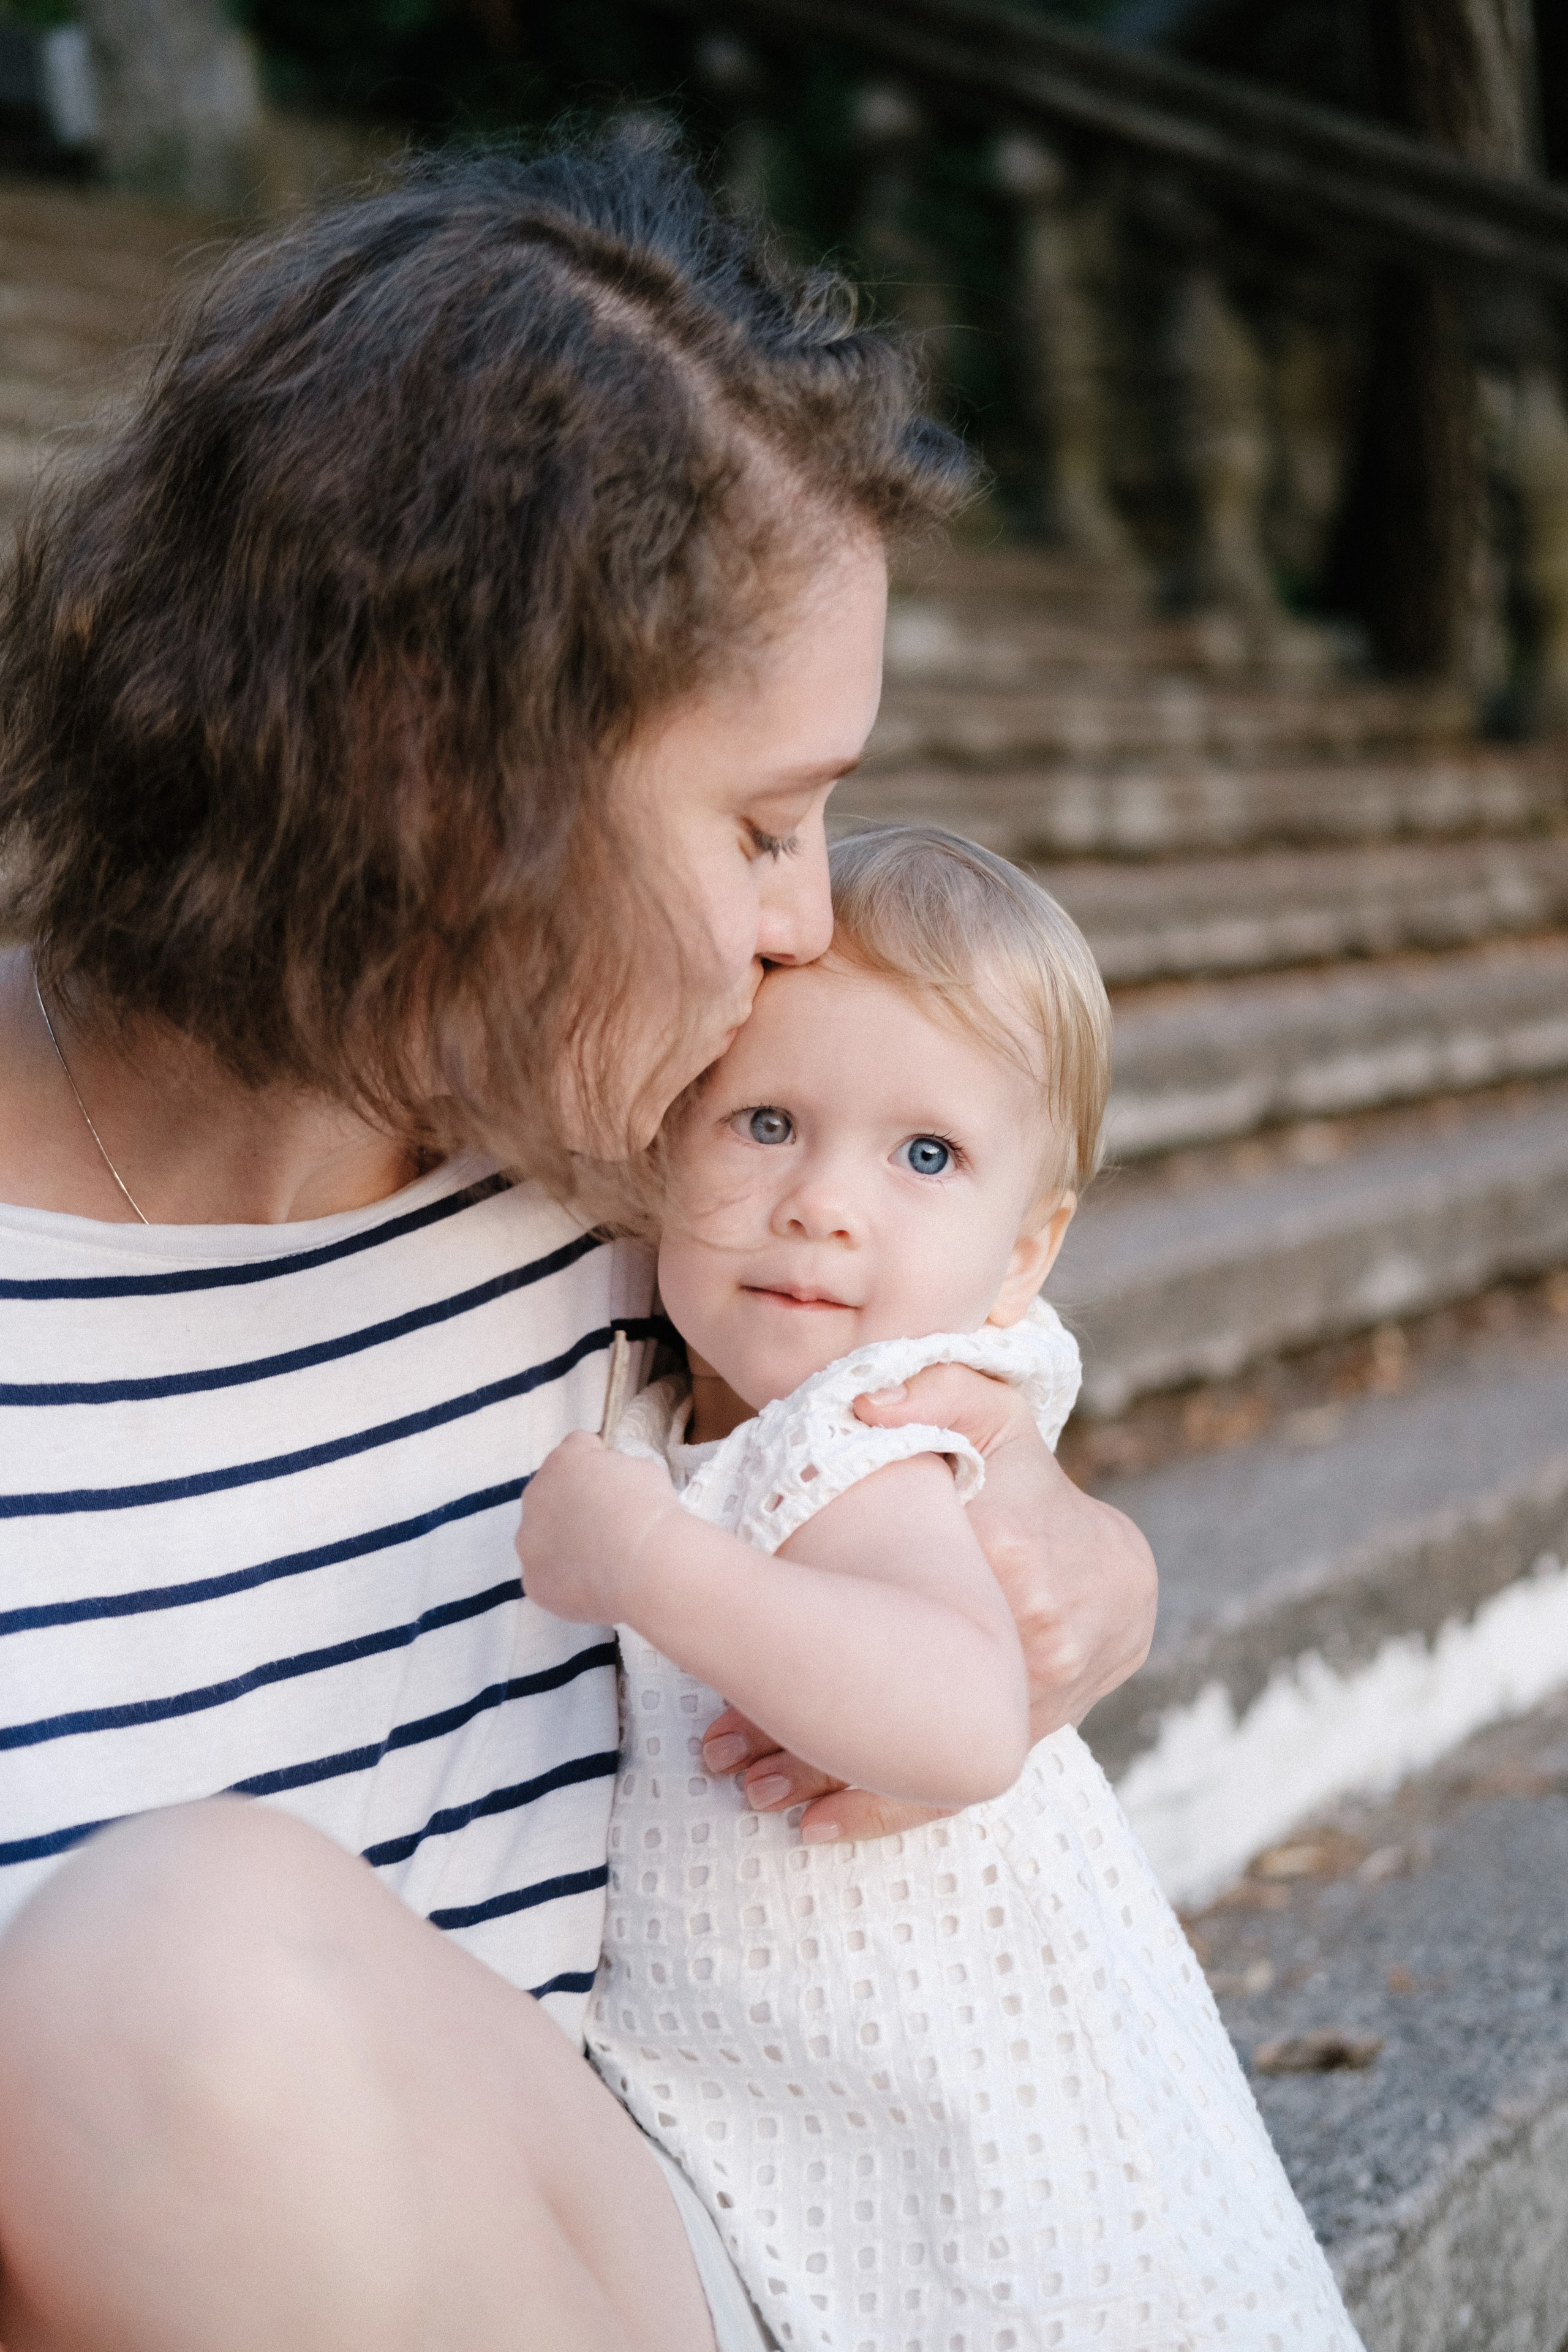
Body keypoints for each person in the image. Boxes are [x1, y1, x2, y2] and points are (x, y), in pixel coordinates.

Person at [0, 145, 1156, 2351]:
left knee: (175, 1979)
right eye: (757, 824)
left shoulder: (637, 1179)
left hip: (647, 2261)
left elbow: (959, 1407)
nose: (806, 926)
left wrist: (1053, 1526)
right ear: (445, 771)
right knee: (166, 1987)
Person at [519, 824, 1363, 2352]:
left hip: (1002, 2168)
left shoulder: (865, 1433)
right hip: (846, 2130)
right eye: (764, 1121)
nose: (824, 1203)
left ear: (1020, 1254)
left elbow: (964, 1716)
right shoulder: (700, 1415)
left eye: (924, 1157)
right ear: (662, 1147)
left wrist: (648, 1562)